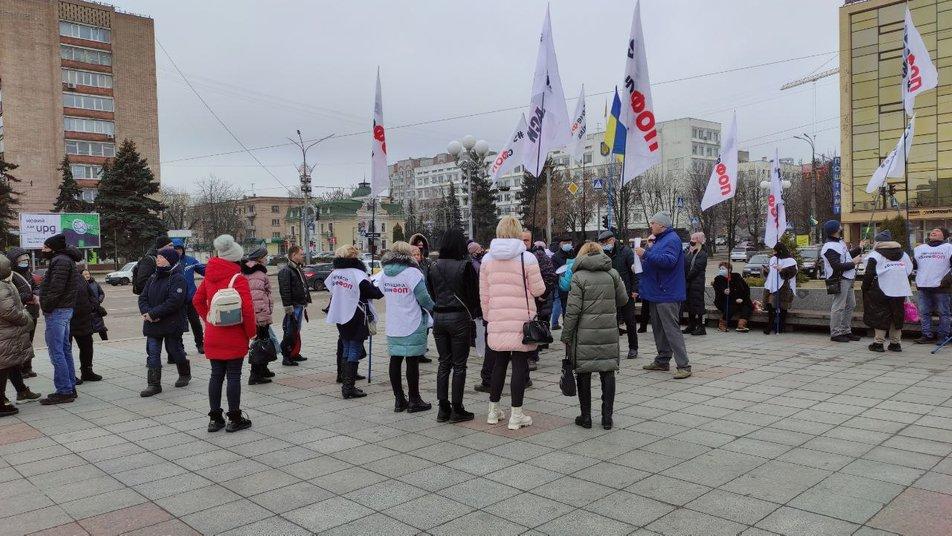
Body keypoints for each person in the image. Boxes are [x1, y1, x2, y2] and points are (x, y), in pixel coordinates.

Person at [480, 216, 546, 430]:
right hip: (521, 320)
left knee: (498, 364)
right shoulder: (527, 258)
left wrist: (489, 317)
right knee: (519, 365)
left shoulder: (487, 259)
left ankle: (493, 411)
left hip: (497, 318)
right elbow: (539, 290)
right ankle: (516, 415)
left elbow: (484, 295)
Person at [193, 235, 256, 432]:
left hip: (213, 334)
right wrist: (251, 333)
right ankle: (235, 418)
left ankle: (215, 419)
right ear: (236, 258)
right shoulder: (238, 278)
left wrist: (209, 319)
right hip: (234, 334)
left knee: (216, 375)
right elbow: (247, 310)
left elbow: (197, 300)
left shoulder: (209, 276)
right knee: (234, 376)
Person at [562, 241, 628, 430]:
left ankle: (586, 417)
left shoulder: (578, 276)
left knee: (584, 372)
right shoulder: (612, 273)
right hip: (608, 330)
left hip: (584, 333)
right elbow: (623, 300)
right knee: (608, 372)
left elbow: (572, 310)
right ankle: (607, 418)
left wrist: (566, 335)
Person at [428, 230, 480, 422]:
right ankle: (457, 408)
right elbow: (474, 295)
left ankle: (443, 408)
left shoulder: (433, 266)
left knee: (444, 363)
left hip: (439, 317)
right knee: (459, 365)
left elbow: (431, 293)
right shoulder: (465, 266)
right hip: (459, 317)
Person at [380, 241, 435, 414]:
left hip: (393, 322)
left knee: (395, 360)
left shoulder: (385, 273)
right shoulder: (412, 272)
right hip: (412, 320)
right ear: (408, 255)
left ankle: (399, 400)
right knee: (412, 361)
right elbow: (424, 298)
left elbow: (380, 291)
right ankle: (414, 399)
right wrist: (435, 308)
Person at [636, 212, 692, 379]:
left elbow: (668, 261)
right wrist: (641, 265)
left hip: (667, 292)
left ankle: (684, 366)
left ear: (662, 225)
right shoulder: (660, 240)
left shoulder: (672, 239)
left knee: (671, 330)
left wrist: (645, 254)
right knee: (659, 330)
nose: (651, 225)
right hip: (657, 292)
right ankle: (662, 360)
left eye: (653, 223)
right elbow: (655, 263)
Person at [325, 244, 383, 399]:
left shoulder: (335, 273)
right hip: (357, 314)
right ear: (353, 257)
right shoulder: (358, 274)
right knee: (354, 348)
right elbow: (373, 293)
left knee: (346, 348)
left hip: (340, 313)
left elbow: (331, 287)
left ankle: (346, 384)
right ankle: (348, 387)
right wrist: (378, 286)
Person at [138, 247, 191, 397]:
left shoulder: (178, 278)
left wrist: (154, 313)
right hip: (152, 323)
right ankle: (154, 384)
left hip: (171, 323)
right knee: (153, 353)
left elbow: (174, 301)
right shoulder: (153, 277)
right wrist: (147, 313)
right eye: (158, 257)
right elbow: (142, 298)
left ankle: (185, 373)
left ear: (169, 260)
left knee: (175, 350)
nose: (158, 259)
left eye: (161, 257)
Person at [38, 234, 80, 405]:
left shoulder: (60, 261)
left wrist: (46, 306)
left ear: (54, 249)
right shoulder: (64, 259)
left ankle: (64, 391)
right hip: (64, 310)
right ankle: (70, 387)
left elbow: (56, 288)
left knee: (57, 352)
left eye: (45, 247)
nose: (42, 250)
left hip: (57, 311)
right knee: (64, 349)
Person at [863, 230, 913, 352]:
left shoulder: (875, 255)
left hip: (881, 288)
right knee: (897, 315)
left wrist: (865, 287)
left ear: (878, 242)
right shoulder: (904, 254)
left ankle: (878, 343)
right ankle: (895, 343)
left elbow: (869, 273)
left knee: (880, 314)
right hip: (900, 288)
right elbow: (909, 271)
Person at [0, 255, 35, 417]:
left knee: (10, 364)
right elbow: (8, 311)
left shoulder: (4, 283)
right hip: (5, 333)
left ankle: (19, 391)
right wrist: (24, 317)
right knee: (3, 367)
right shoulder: (2, 286)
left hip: (6, 333)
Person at [598, 230, 640, 358]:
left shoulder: (625, 252)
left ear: (612, 240)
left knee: (630, 321)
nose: (604, 245)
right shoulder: (602, 254)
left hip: (626, 292)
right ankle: (612, 349)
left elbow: (634, 272)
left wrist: (635, 290)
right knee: (611, 323)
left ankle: (633, 348)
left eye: (606, 242)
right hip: (609, 293)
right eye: (602, 243)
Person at [821, 220, 863, 342]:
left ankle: (845, 330)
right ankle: (835, 333)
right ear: (836, 230)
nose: (841, 227)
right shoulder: (829, 247)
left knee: (851, 304)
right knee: (838, 306)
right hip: (839, 279)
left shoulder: (839, 242)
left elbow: (846, 256)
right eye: (839, 226)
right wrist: (854, 263)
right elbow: (836, 266)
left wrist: (859, 249)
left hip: (848, 278)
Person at [522, 231, 556, 374]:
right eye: (521, 239)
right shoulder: (516, 256)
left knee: (533, 327)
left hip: (535, 299)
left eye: (526, 240)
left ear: (531, 241)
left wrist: (543, 295)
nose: (524, 243)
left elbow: (550, 276)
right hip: (519, 300)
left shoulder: (539, 256)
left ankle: (532, 356)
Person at [242, 246, 276, 385]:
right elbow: (255, 298)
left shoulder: (253, 271)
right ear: (260, 259)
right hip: (259, 314)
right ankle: (255, 374)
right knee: (259, 343)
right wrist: (260, 316)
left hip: (260, 313)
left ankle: (263, 368)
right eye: (265, 256)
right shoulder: (257, 273)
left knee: (264, 341)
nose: (267, 259)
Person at [913, 228, 952, 344]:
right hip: (923, 286)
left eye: (938, 231)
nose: (934, 232)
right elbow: (914, 266)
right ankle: (926, 335)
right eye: (933, 231)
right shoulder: (919, 249)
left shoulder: (949, 248)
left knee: (943, 313)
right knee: (924, 312)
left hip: (941, 287)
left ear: (944, 236)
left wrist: (947, 280)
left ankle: (943, 336)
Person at [5, 247, 39, 378]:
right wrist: (30, 296)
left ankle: (27, 367)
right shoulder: (10, 275)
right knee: (19, 342)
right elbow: (11, 296)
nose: (25, 262)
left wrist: (36, 294)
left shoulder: (28, 273)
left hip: (32, 312)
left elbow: (36, 287)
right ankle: (18, 370)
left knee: (29, 341)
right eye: (22, 260)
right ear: (14, 261)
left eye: (27, 260)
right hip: (20, 313)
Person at [278, 245, 311, 366]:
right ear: (293, 255)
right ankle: (286, 356)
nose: (303, 256)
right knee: (290, 332)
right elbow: (285, 290)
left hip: (299, 304)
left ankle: (294, 353)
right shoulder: (286, 270)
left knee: (296, 331)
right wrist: (288, 307)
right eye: (301, 254)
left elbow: (302, 286)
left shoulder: (297, 268)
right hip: (293, 306)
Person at [70, 265, 104, 384]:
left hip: (83, 319)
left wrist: (94, 307)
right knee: (66, 349)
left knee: (87, 346)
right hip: (66, 319)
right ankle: (69, 375)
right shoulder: (58, 277)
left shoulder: (80, 278)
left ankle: (87, 371)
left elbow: (91, 296)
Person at [172, 239, 205, 354]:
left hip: (191, 298)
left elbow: (205, 270)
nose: (178, 251)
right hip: (177, 300)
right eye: (175, 249)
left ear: (183, 249)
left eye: (179, 248)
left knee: (195, 322)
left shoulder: (190, 261)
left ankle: (200, 344)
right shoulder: (170, 263)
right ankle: (180, 348)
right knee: (178, 324)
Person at [762, 243, 799, 335]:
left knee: (782, 307)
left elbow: (792, 273)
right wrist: (766, 271)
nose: (773, 252)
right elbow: (771, 273)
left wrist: (782, 270)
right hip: (771, 285)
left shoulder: (790, 261)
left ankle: (780, 326)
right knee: (770, 306)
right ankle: (770, 325)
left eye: (775, 251)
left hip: (783, 286)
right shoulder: (773, 259)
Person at [711, 262, 752, 332]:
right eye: (720, 269)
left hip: (739, 300)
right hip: (723, 301)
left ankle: (741, 324)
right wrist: (724, 291)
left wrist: (742, 299)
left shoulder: (737, 276)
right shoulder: (718, 279)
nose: (721, 270)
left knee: (747, 306)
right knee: (731, 307)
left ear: (729, 269)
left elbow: (746, 289)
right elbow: (719, 289)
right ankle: (722, 325)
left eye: (723, 269)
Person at [683, 232, 709, 336]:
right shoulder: (689, 252)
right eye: (691, 239)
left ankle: (701, 327)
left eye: (694, 239)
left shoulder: (702, 253)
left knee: (699, 305)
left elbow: (697, 268)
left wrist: (686, 277)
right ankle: (691, 325)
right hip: (689, 283)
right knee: (690, 305)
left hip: (697, 282)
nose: (692, 241)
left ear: (699, 241)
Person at [550, 236, 576, 330]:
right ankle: (564, 324)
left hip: (573, 283)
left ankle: (569, 324)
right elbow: (555, 271)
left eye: (569, 242)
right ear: (560, 244)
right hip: (561, 284)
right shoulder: (555, 256)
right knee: (563, 304)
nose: (567, 244)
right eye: (565, 243)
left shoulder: (573, 253)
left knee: (571, 305)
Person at [637, 235, 656, 333]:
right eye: (649, 240)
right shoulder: (643, 252)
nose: (651, 242)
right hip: (646, 283)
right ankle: (643, 326)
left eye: (653, 240)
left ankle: (654, 327)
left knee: (654, 308)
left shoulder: (656, 251)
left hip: (654, 284)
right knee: (645, 307)